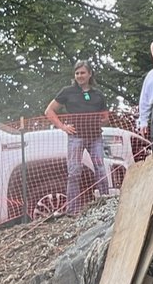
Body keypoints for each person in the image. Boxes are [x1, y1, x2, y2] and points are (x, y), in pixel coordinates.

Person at [44, 61, 110, 215]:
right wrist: (63, 126)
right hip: (76, 137)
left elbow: (106, 117)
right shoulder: (67, 91)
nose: (80, 76)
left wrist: (103, 120)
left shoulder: (98, 94)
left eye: (83, 72)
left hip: (95, 137)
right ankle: (73, 210)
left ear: (90, 74)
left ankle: (106, 202)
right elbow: (49, 111)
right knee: (74, 172)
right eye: (77, 73)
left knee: (100, 168)